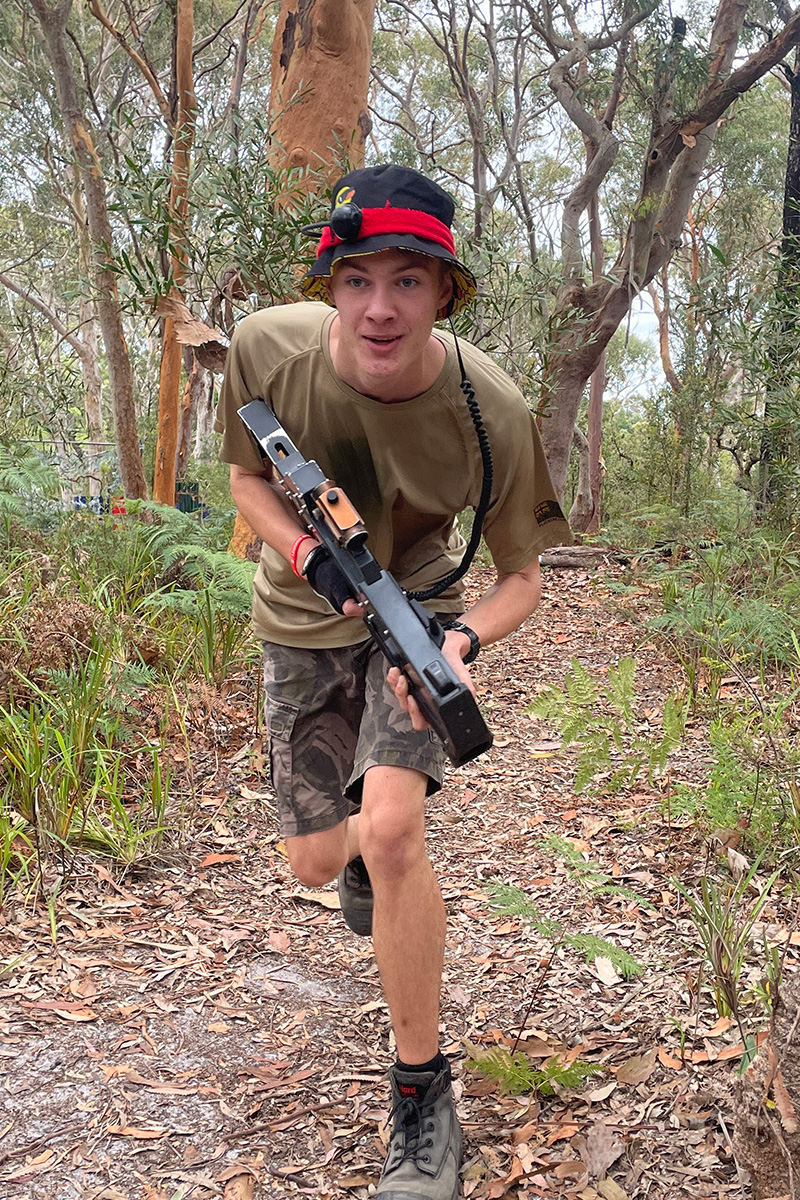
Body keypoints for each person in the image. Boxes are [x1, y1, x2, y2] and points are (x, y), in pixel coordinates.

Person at [215, 164, 572, 1200]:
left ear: (445, 293)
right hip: (299, 627)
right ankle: (363, 852)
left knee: (393, 832)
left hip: (412, 619)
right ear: (328, 284)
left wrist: (459, 644)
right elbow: (244, 476)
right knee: (316, 865)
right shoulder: (265, 349)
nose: (380, 307)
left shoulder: (486, 406)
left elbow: (520, 581)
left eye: (408, 281)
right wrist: (298, 554)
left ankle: (421, 1101)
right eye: (358, 277)